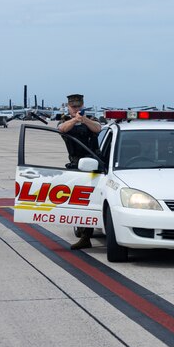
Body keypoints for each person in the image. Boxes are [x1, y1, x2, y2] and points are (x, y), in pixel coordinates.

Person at [57, 94, 102, 251]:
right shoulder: (65, 121)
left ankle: (87, 235)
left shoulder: (90, 120)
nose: (77, 109)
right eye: (74, 107)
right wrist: (75, 120)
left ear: (83, 105)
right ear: (69, 107)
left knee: (90, 201)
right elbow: (62, 129)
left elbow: (98, 128)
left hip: (94, 164)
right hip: (77, 165)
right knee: (78, 202)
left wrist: (84, 119)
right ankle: (84, 234)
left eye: (79, 106)